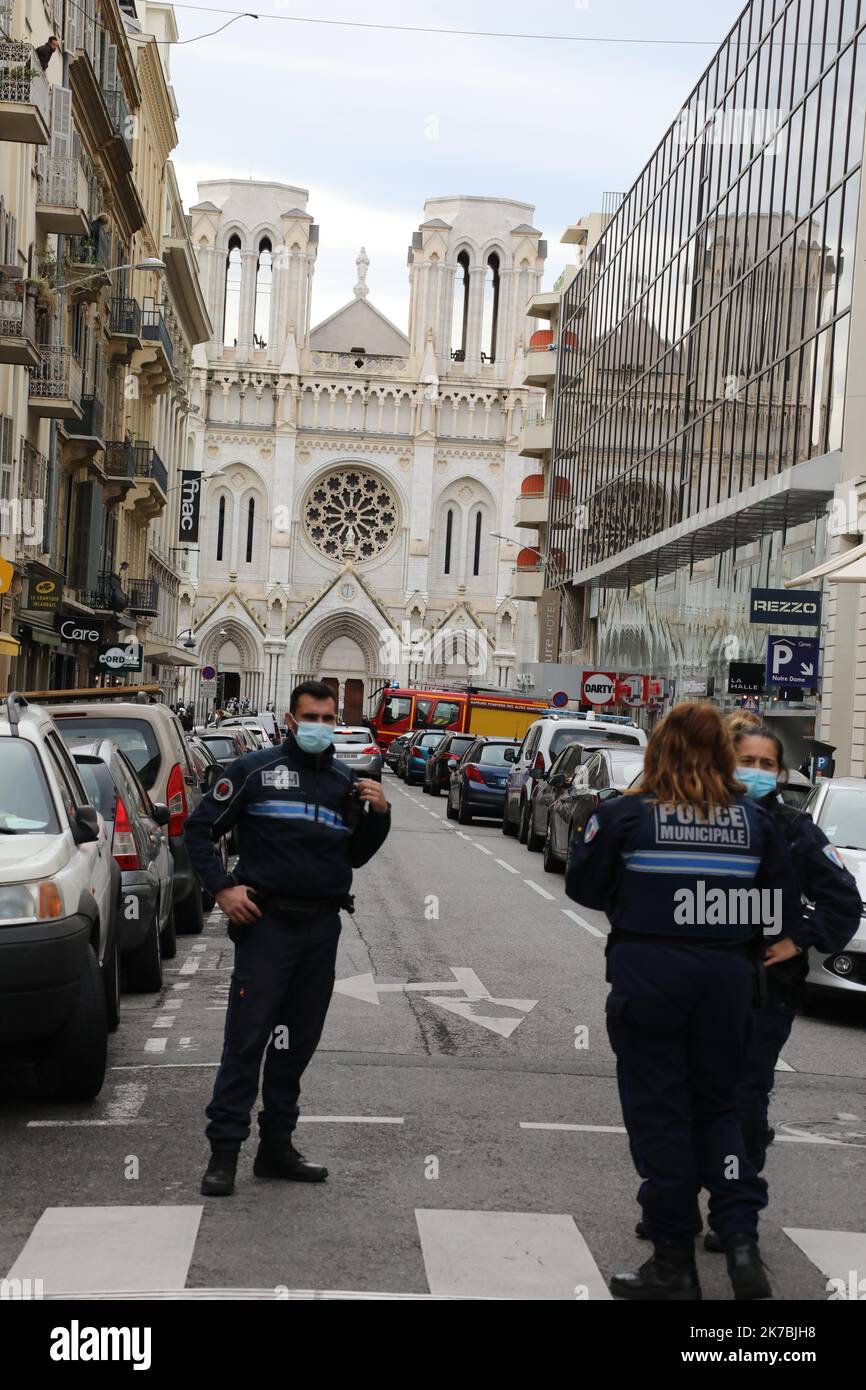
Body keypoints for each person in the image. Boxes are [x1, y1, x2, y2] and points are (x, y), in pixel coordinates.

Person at [566, 702, 801, 1301]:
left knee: (661, 1116)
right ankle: (742, 1244)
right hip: (726, 981)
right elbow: (776, 910)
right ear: (724, 756)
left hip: (650, 976)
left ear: (659, 751)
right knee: (721, 1110)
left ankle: (673, 1260)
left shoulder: (625, 815)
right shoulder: (756, 823)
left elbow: (583, 885)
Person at [185, 679, 391, 1198]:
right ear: (291, 720)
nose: (321, 726)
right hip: (267, 927)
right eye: (312, 718)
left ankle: (276, 1148)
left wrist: (380, 815)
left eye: (329, 718)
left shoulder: (345, 783)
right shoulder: (254, 771)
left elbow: (356, 856)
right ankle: (223, 1154)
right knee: (247, 1041)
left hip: (321, 929)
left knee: (294, 1045)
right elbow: (198, 830)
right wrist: (224, 890)